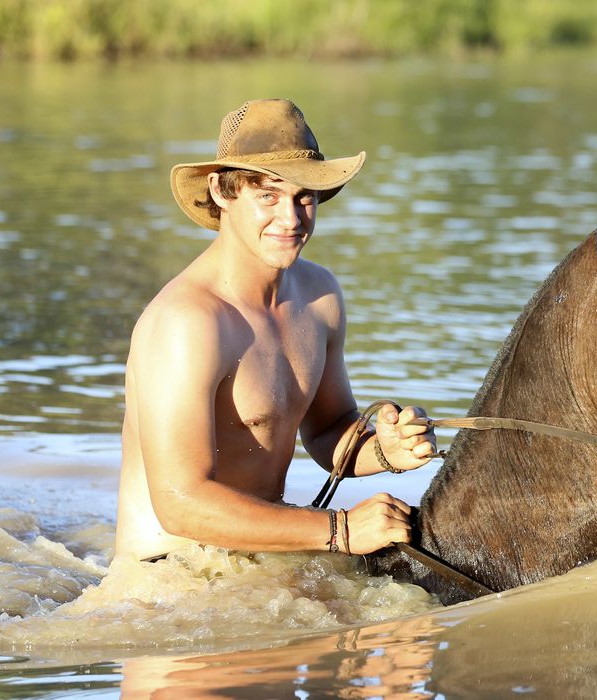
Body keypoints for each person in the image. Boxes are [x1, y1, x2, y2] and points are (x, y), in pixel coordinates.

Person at [113, 98, 435, 562]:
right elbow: (180, 506)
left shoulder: (319, 295)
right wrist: (340, 529)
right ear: (222, 193)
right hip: (167, 579)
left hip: (267, 557)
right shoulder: (186, 322)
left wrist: (386, 449)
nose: (291, 219)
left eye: (304, 196)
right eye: (268, 195)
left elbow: (328, 432)